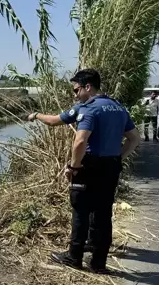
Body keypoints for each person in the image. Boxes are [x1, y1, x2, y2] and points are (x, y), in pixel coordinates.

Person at [26, 69, 141, 272]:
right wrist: (118, 159)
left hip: (89, 166)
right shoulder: (118, 108)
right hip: (110, 166)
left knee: (80, 208)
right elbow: (134, 138)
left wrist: (73, 166)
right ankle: (98, 263)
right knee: (103, 212)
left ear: (88, 87)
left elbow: (79, 141)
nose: (75, 95)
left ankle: (74, 257)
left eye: (76, 90)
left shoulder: (89, 109)